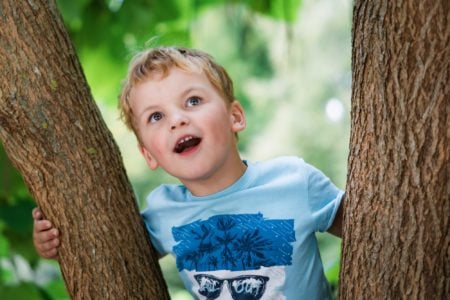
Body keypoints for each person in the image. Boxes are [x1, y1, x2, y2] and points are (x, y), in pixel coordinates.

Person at [33, 46, 344, 299]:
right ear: (148, 154)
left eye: (193, 101)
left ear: (234, 116)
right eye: (156, 116)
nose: (176, 120)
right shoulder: (163, 211)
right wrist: (51, 244)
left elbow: (375, 231)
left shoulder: (294, 181)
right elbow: (101, 250)